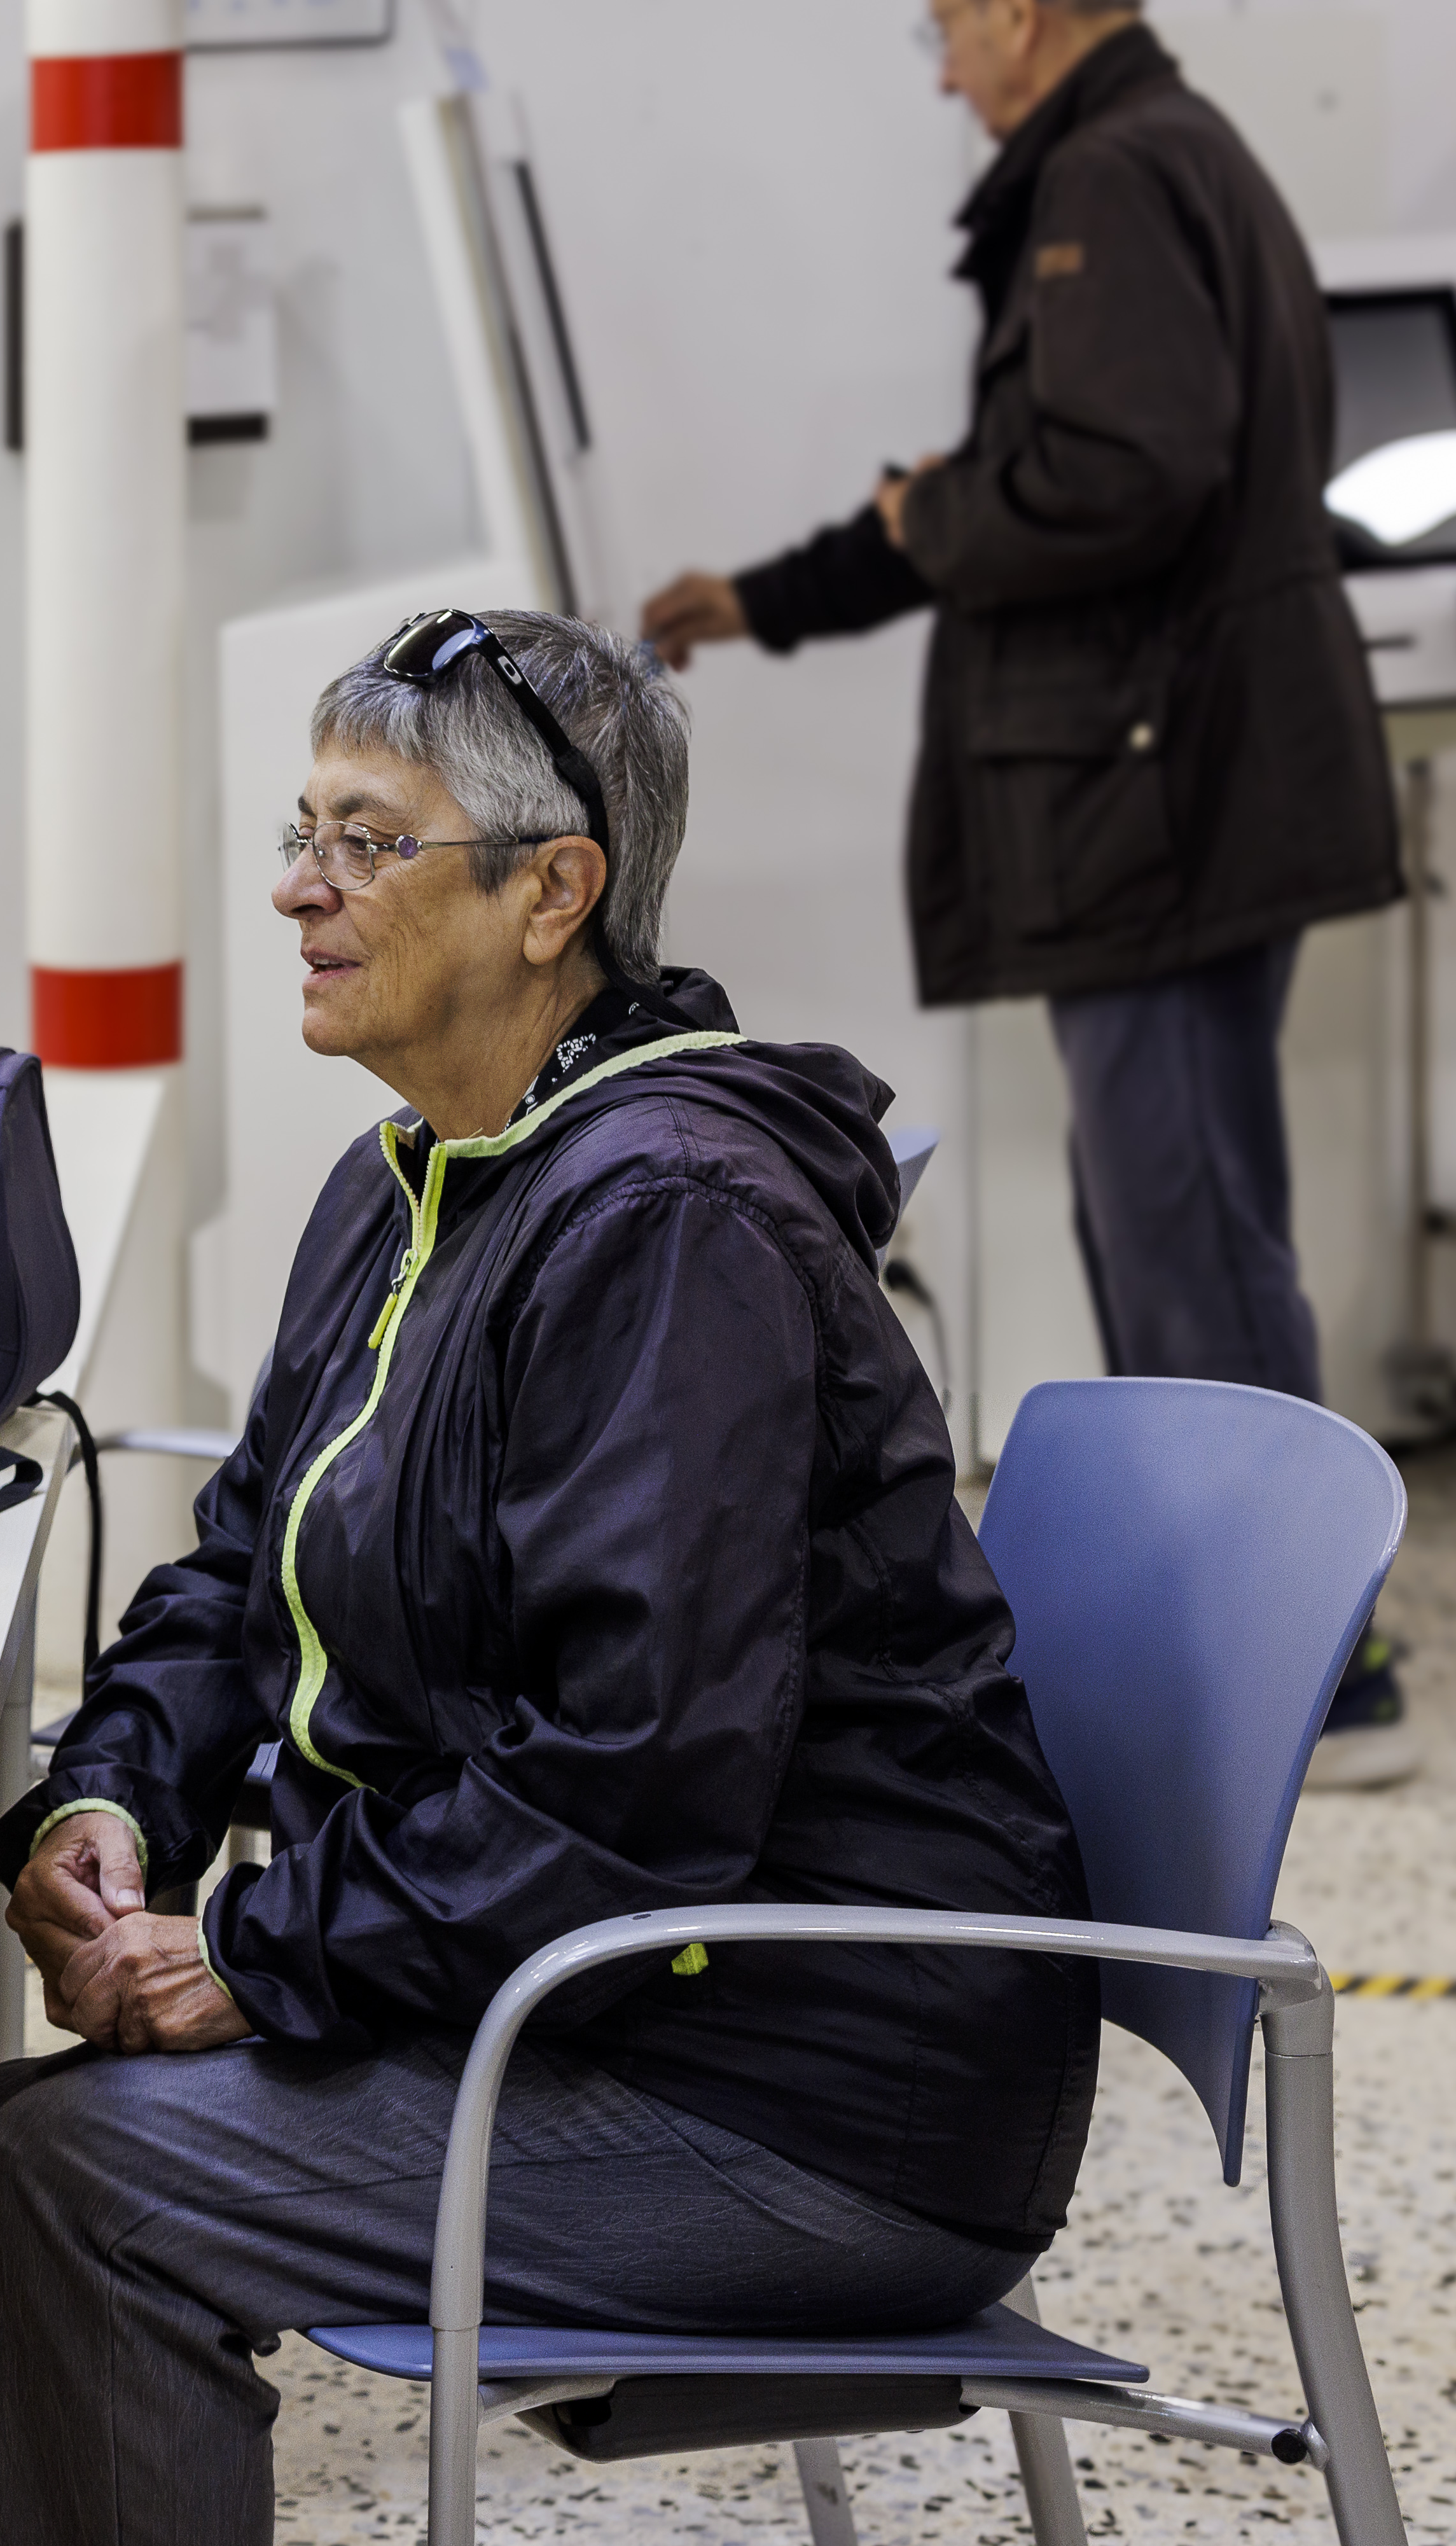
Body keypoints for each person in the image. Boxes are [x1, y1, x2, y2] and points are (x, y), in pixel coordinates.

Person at [0, 611, 1099, 2546]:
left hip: (806, 2094)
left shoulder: (671, 1226)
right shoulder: (413, 1183)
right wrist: (116, 1799)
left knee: (72, 2182)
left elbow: (632, 1784)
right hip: (616, 1997)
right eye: (306, 828)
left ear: (557, 893)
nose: (299, 886)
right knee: (4, 2148)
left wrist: (261, 1954)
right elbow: (244, 1572)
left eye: (371, 841)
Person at [641, 0, 1408, 1781]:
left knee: (1188, 1223)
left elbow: (1123, 474)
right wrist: (780, 588)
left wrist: (925, 522)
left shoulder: (1119, 172)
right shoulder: (1167, 154)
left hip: (1162, 792)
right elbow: (1069, 475)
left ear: (1014, 12)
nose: (940, 70)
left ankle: (1317, 1681)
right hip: (1177, 780)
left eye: (942, 30)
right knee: (1177, 1207)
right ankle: (1276, 1642)